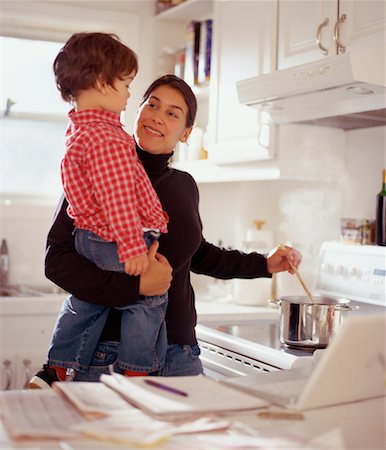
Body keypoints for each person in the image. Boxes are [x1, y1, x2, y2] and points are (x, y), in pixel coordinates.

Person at [29, 74, 301, 387]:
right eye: (152, 105)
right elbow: (57, 260)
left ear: (186, 133)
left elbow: (195, 253)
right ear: (138, 111)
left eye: (172, 113)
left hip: (181, 354)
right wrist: (137, 287)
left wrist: (264, 263)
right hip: (110, 356)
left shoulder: (184, 185)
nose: (158, 116)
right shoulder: (100, 170)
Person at [32, 32, 171, 387]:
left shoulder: (81, 131)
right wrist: (132, 247)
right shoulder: (105, 140)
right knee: (149, 299)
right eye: (125, 84)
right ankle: (137, 371)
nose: (128, 95)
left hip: (92, 237)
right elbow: (117, 198)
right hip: (114, 237)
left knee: (87, 300)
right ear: (100, 82)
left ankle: (59, 366)